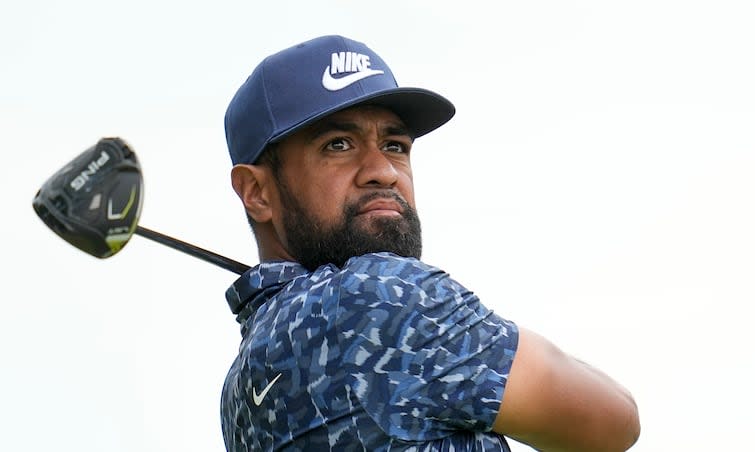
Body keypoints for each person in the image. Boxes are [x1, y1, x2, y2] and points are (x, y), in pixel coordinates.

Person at [220, 34, 640, 451]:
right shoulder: (380, 296)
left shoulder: (239, 387)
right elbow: (613, 421)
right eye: (338, 145)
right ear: (256, 191)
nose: (383, 171)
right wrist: (477, 332)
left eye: (394, 145)